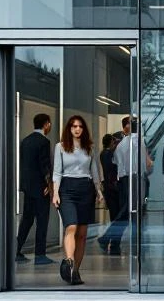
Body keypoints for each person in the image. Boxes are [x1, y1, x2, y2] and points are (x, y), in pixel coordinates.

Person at [51, 115, 104, 286]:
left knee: (82, 234)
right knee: (71, 226)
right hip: (67, 189)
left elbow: (94, 171)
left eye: (80, 126)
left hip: (86, 189)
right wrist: (55, 193)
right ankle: (69, 262)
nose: (77, 129)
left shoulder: (89, 148)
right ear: (69, 128)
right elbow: (57, 172)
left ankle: (75, 272)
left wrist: (98, 190)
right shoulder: (60, 147)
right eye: (74, 126)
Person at [98, 116, 152, 255]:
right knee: (128, 212)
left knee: (127, 213)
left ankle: (112, 242)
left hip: (126, 180)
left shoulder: (123, 144)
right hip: (132, 179)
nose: (138, 126)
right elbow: (143, 163)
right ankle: (108, 238)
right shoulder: (135, 141)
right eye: (135, 123)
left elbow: (117, 162)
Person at [16, 113, 55, 266]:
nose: (50, 126)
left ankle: (16, 250)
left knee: (27, 220)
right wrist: (49, 185)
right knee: (42, 220)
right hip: (40, 188)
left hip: (27, 187)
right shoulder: (44, 142)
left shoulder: (25, 141)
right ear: (46, 124)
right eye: (49, 124)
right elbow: (44, 165)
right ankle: (40, 255)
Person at [100, 134, 120, 224]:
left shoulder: (103, 153)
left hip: (108, 185)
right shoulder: (108, 154)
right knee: (115, 210)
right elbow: (110, 167)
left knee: (113, 211)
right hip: (111, 185)